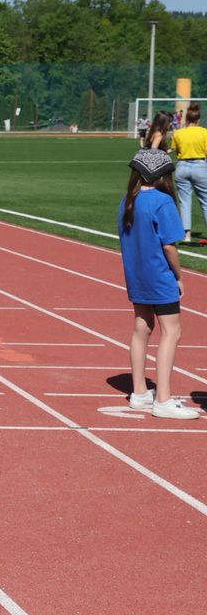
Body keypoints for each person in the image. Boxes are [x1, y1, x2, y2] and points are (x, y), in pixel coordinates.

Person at [118, 149, 198, 420]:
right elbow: (169, 246)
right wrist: (179, 275)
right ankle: (163, 399)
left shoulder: (128, 200)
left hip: (136, 275)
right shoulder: (163, 202)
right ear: (164, 175)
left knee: (142, 327)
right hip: (159, 275)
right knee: (172, 332)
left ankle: (139, 392)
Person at [170, 103, 207, 243]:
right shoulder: (204, 132)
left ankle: (187, 234)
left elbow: (176, 150)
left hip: (182, 166)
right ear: (198, 119)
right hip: (199, 165)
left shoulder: (178, 133)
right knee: (205, 201)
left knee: (185, 202)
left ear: (186, 119)